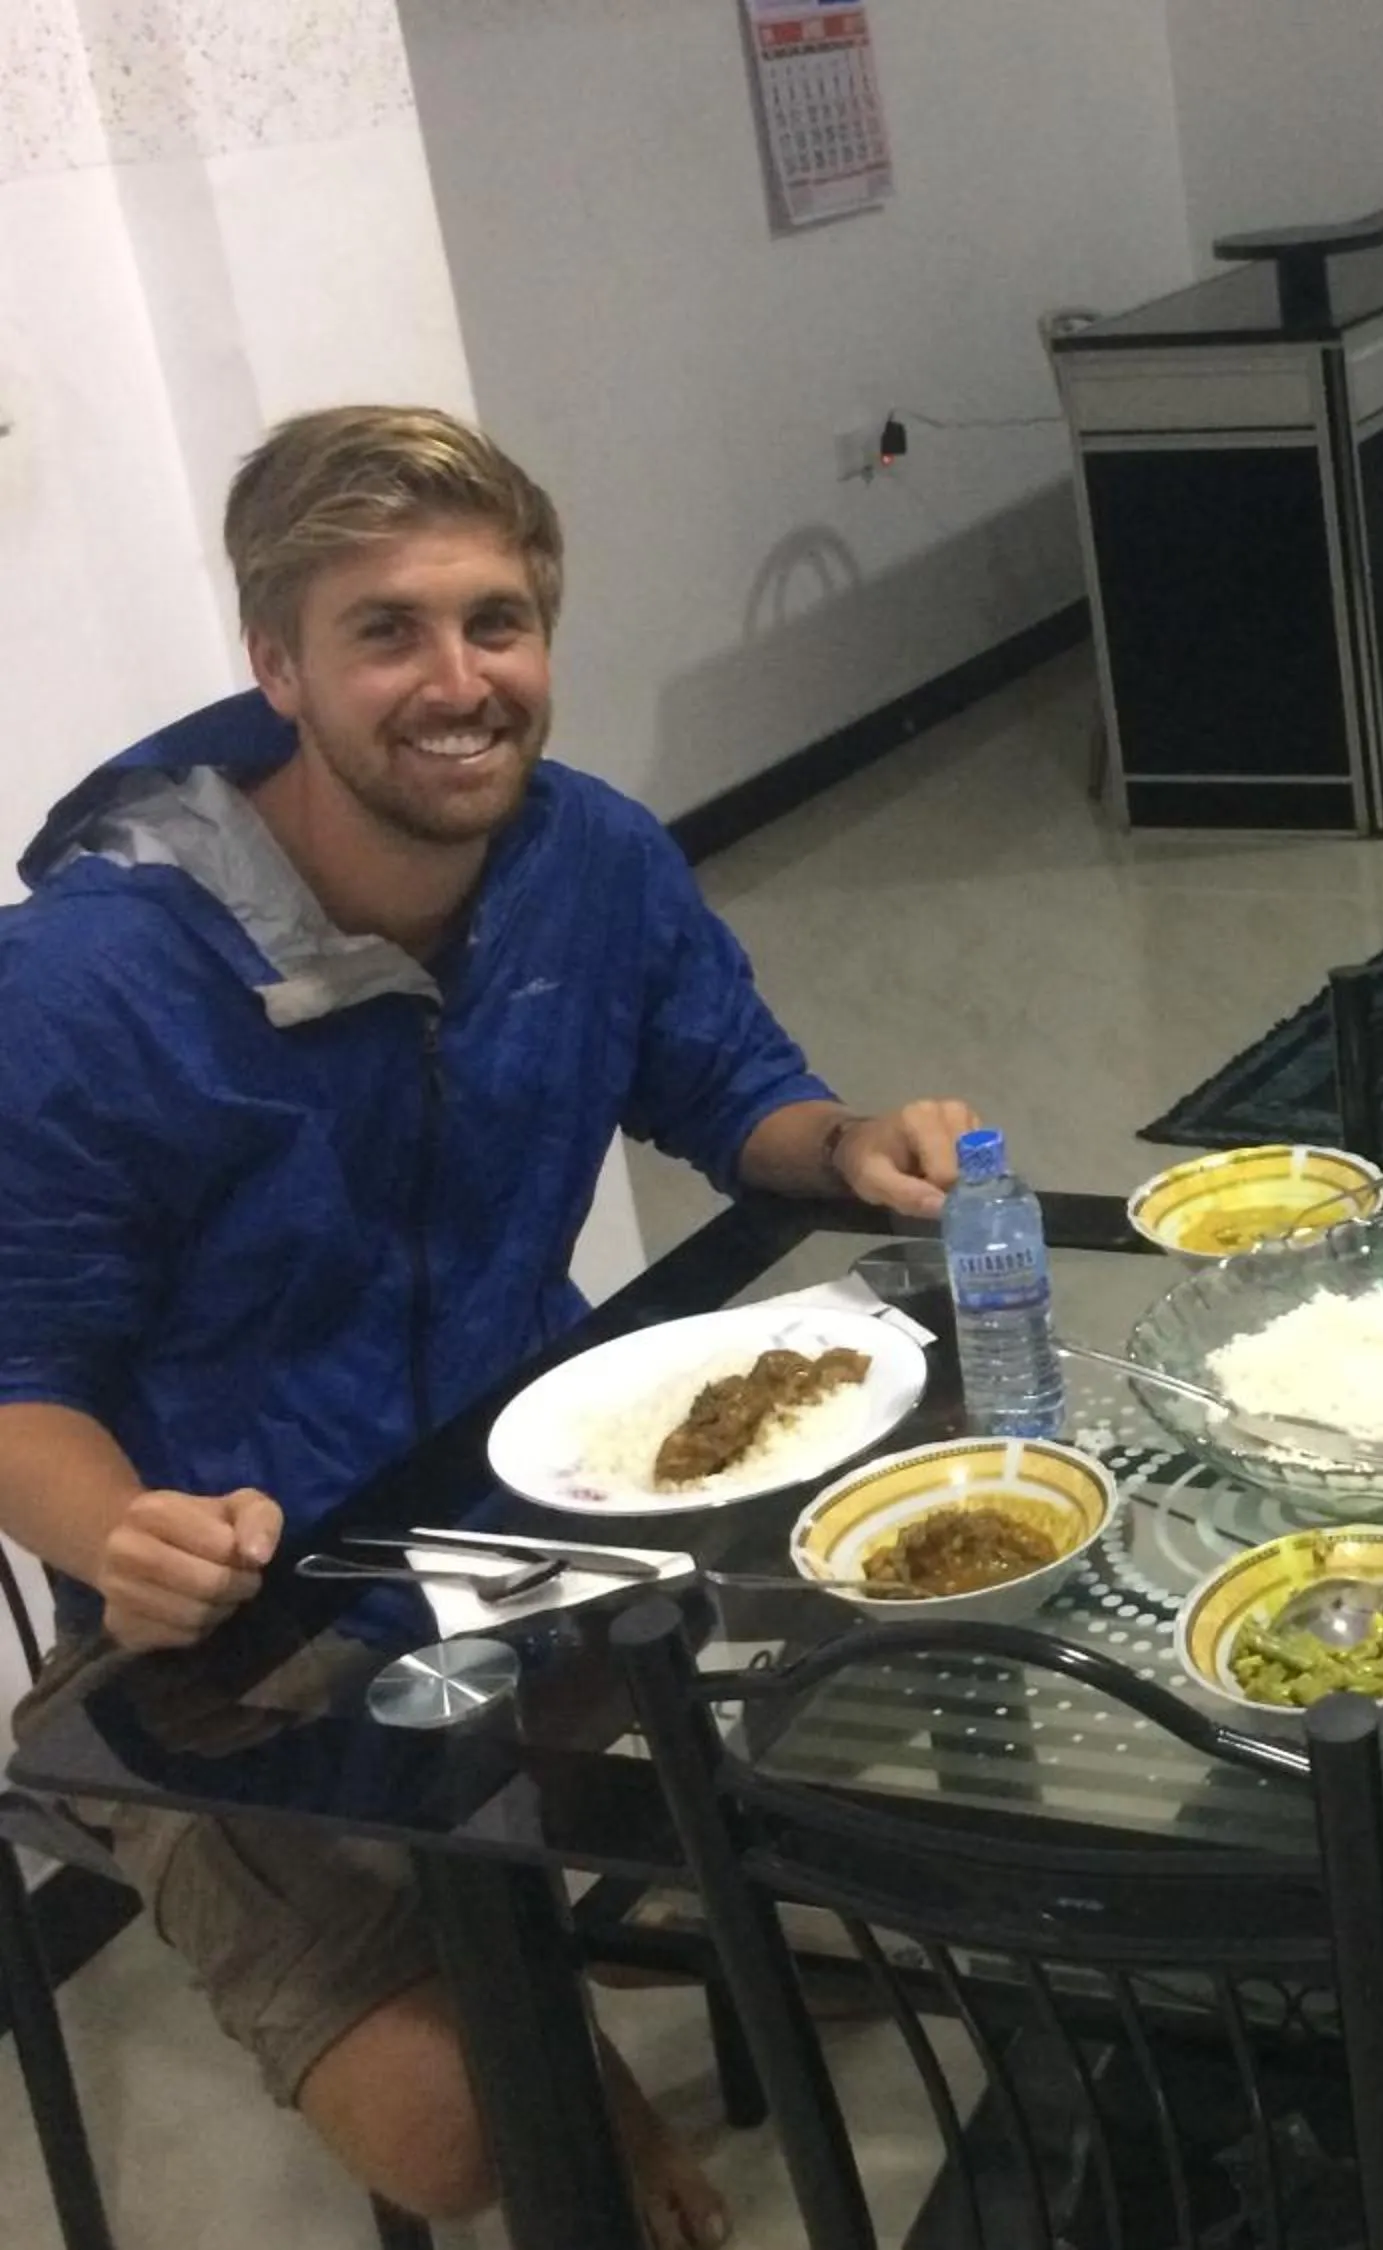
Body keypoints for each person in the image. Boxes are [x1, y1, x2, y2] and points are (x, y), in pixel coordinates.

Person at [0, 406, 984, 2247]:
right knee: (465, 2136)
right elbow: (15, 1375)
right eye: (387, 630)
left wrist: (848, 1142)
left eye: (497, 622)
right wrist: (112, 1532)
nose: (460, 683)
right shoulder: (81, 983)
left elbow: (731, 1091)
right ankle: (571, 2045)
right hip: (227, 1633)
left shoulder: (589, 859)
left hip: (542, 1510)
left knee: (939, 1658)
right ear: (275, 663)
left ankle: (595, 1899)